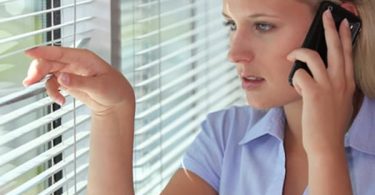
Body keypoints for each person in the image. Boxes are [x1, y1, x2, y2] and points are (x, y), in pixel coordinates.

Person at [22, 0, 375, 194]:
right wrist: (112, 112)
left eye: (263, 25)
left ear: (341, 23)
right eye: (231, 25)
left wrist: (326, 150)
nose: (235, 52)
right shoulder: (227, 137)